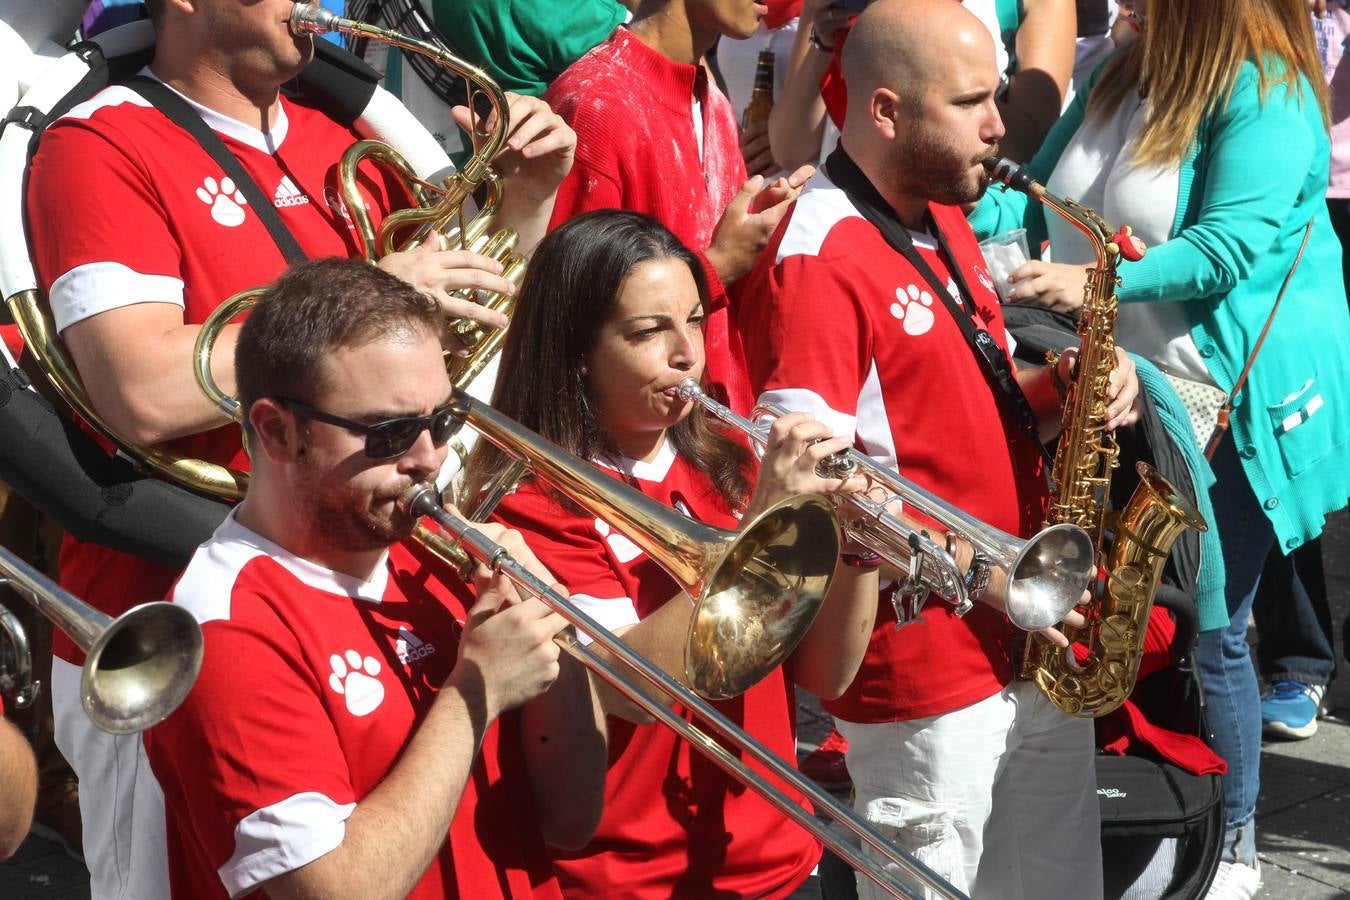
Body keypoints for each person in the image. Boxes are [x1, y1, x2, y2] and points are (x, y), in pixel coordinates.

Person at [22, 1, 577, 896]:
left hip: (374, 587)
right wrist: (367, 293)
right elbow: (137, 391)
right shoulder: (102, 143)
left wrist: (526, 201)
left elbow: (463, 350)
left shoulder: (343, 139)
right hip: (178, 629)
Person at [736, 1, 1141, 896]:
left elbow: (956, 415)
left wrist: (1069, 390)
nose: (1001, 127)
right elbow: (815, 481)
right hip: (927, 674)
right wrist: (986, 574)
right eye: (971, 104)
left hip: (1027, 637)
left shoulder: (941, 213)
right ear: (886, 111)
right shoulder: (820, 255)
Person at [969, 0, 1350, 895]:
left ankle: (1236, 848)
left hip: (1226, 398)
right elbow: (1031, 189)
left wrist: (1087, 279)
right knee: (1126, 619)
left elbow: (1227, 248)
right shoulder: (1123, 63)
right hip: (1118, 382)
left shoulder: (1268, 86)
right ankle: (1146, 814)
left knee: (1212, 630)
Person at [141, 256, 606, 899]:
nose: (430, 459)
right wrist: (476, 689)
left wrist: (556, 630)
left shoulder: (432, 552)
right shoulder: (223, 627)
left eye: (442, 421)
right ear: (277, 432)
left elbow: (571, 820)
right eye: (390, 433)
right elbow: (336, 891)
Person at [463, 209, 881, 898]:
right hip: (638, 879)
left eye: (693, 320)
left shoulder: (731, 467)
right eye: (649, 332)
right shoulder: (531, 503)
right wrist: (768, 524)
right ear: (576, 349)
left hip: (780, 856)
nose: (687, 352)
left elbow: (826, 675)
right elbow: (628, 690)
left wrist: (856, 545)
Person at [543, 0, 816, 413]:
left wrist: (764, 231)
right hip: (643, 448)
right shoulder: (595, 106)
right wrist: (718, 266)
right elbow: (571, 313)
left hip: (713, 428)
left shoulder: (713, 101)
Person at [767, 0, 1078, 172]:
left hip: (969, 226)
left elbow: (1029, 145)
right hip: (851, 217)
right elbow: (791, 151)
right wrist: (822, 40)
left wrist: (923, 24)